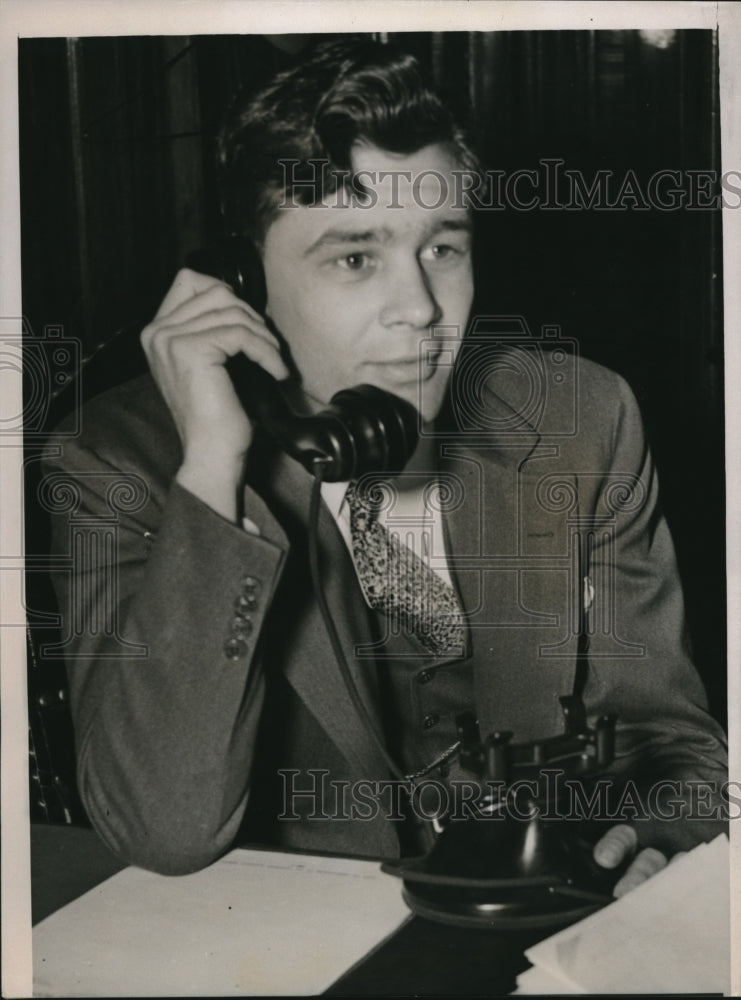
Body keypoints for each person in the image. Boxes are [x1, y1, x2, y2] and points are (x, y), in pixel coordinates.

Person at [44, 38, 727, 897]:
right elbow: (162, 831)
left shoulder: (581, 420)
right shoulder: (118, 461)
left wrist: (649, 840)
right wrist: (214, 468)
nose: (420, 312)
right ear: (245, 285)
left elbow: (672, 744)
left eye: (441, 249)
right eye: (355, 258)